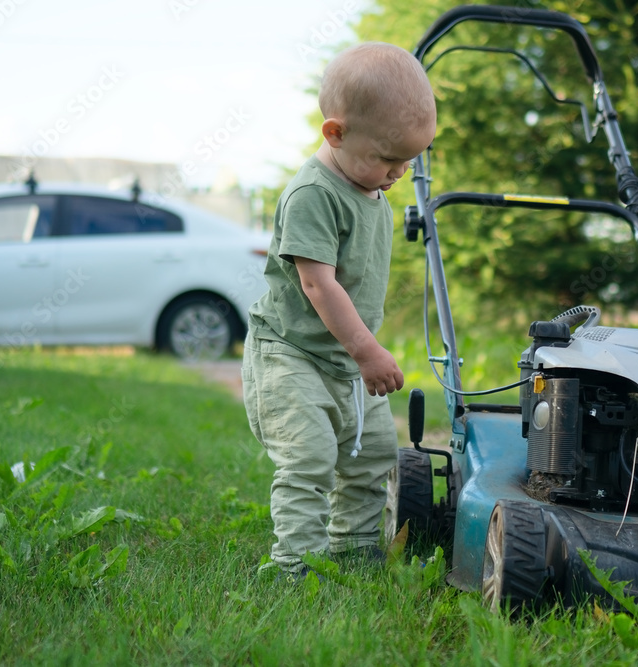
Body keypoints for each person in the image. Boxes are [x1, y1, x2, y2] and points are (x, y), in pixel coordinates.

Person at [241, 41, 437, 580]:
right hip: (292, 353)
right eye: (387, 158)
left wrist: (359, 355)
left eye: (409, 161)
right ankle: (294, 567)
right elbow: (318, 285)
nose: (398, 172)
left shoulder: (372, 187)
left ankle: (352, 548)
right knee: (308, 458)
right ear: (336, 133)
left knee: (373, 455)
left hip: (345, 361)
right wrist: (369, 351)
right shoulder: (312, 194)